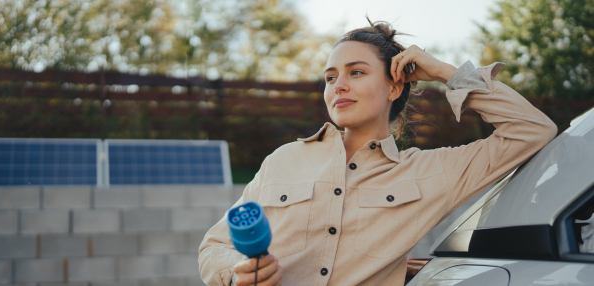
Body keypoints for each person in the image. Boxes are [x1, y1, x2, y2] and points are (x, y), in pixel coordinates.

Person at [199, 20, 558, 286]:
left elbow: (531, 130)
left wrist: (446, 72)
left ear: (393, 85)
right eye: (330, 77)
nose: (338, 85)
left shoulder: (432, 173)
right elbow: (215, 245)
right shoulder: (283, 160)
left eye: (356, 72)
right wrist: (236, 273)